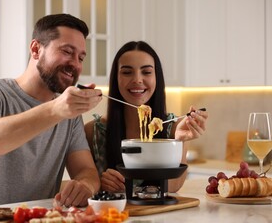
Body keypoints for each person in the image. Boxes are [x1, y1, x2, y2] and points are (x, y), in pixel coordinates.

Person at [0, 14, 103, 211]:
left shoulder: (70, 116)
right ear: (35, 49)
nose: (76, 64)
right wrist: (56, 109)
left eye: (81, 58)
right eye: (67, 51)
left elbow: (86, 171)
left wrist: (86, 185)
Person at [84, 41, 208, 193]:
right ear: (116, 79)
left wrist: (179, 141)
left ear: (157, 77)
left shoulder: (175, 127)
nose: (137, 79)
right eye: (127, 72)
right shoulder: (92, 131)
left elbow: (173, 187)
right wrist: (99, 184)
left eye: (147, 72)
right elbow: (84, 182)